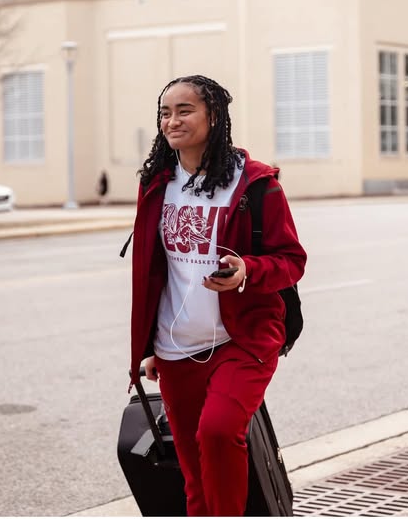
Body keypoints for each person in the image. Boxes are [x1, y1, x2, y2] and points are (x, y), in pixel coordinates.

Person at [128, 75, 307, 517]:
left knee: (219, 431)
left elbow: (291, 258)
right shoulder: (157, 185)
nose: (172, 121)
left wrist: (249, 270)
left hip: (242, 338)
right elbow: (154, 274)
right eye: (165, 113)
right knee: (192, 471)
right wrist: (149, 346)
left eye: (184, 110)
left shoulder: (256, 184)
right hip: (176, 349)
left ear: (214, 116)